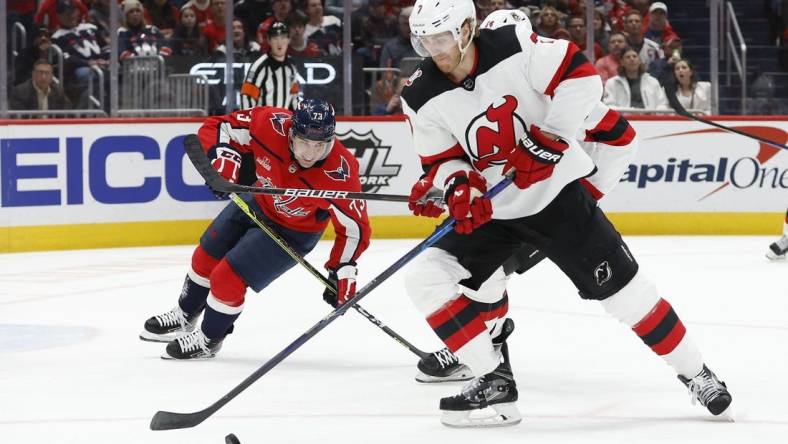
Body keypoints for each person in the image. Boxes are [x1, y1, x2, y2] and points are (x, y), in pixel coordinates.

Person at [401, 0, 731, 428]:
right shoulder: (419, 92)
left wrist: (551, 137)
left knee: (629, 296)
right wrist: (459, 185)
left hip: (558, 200)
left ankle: (697, 373)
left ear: (466, 29)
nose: (434, 49)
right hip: (497, 214)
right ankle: (493, 379)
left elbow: (580, 77)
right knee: (427, 277)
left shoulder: (513, 44)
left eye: (441, 37)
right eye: (424, 40)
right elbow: (441, 157)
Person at [140, 99, 371, 359]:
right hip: (256, 201)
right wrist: (225, 159)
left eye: (320, 145)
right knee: (204, 257)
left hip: (293, 232)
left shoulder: (341, 172)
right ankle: (184, 316)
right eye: (304, 142)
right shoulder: (268, 123)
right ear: (291, 133)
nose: (310, 153)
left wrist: (342, 268)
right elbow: (221, 127)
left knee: (226, 278)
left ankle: (209, 340)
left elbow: (354, 228)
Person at [240, 21, 301, 110]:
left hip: (283, 120)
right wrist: (249, 122)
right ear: (268, 40)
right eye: (275, 38)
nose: (279, 43)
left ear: (288, 40)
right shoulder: (259, 66)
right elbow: (247, 96)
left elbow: (294, 96)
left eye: (283, 37)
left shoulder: (291, 65)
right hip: (263, 121)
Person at [603, 47, 669, 111]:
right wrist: (630, 111)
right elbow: (609, 106)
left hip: (649, 120)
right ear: (622, 62)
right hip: (624, 120)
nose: (632, 59)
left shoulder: (652, 81)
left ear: (640, 60)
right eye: (628, 57)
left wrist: (655, 114)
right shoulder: (612, 83)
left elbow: (662, 104)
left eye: (634, 56)